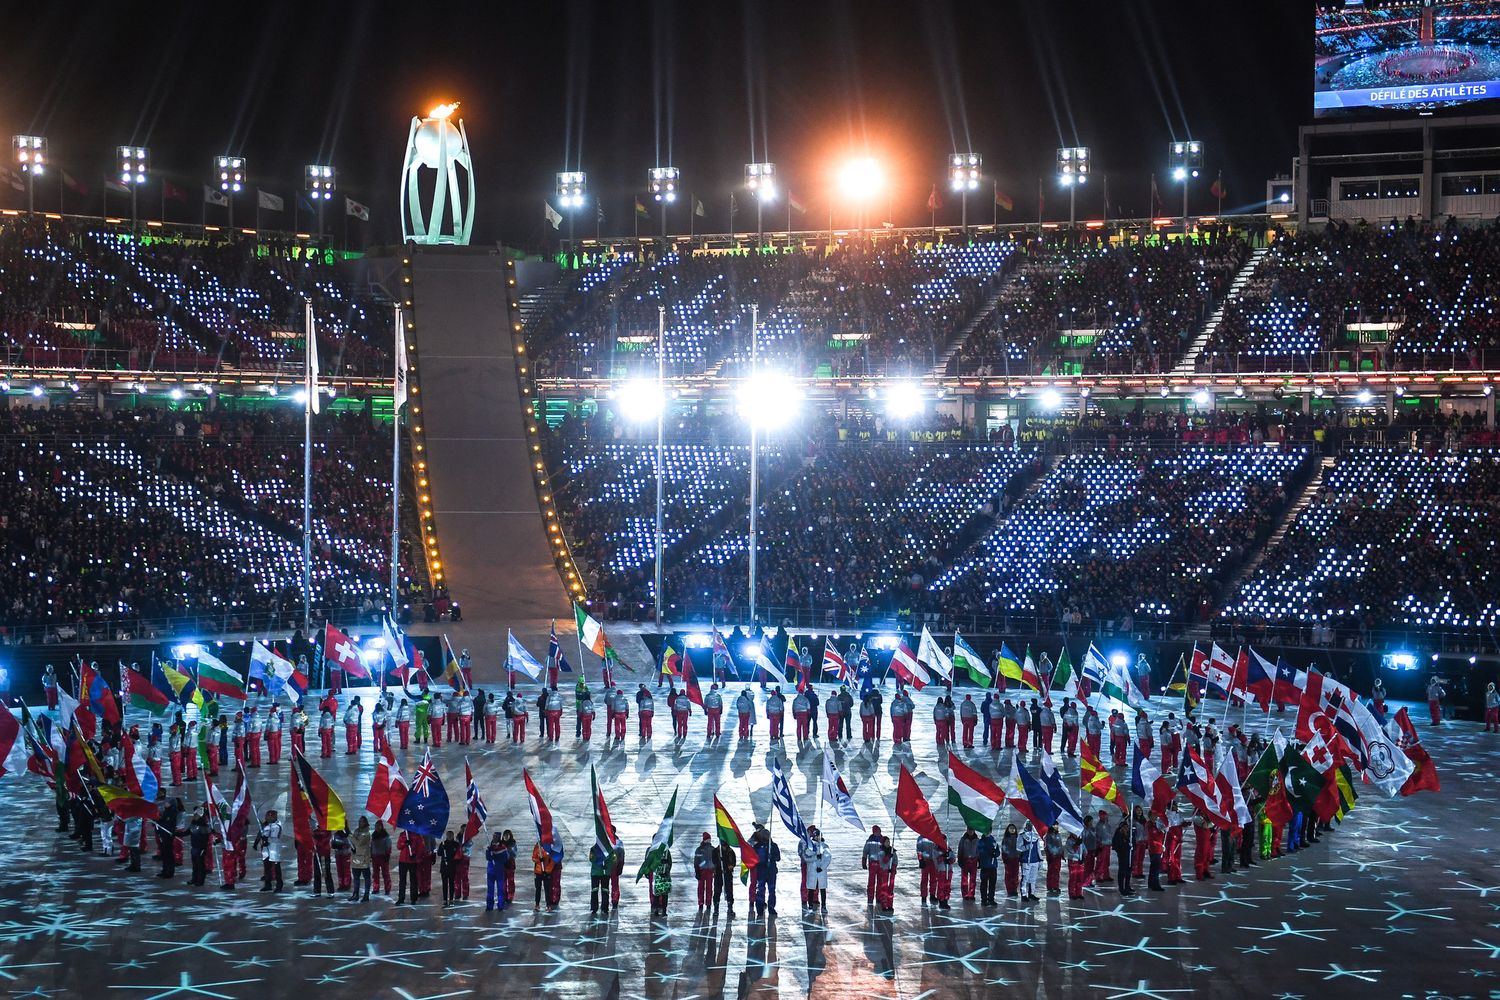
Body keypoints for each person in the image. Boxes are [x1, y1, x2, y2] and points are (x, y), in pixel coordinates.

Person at [800, 826, 832, 912]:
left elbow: (827, 858)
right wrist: (815, 857)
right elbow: (806, 857)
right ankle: (810, 906)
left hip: (821, 872)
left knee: (822, 889)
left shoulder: (825, 846)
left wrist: (822, 867)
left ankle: (824, 906)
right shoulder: (810, 846)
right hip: (812, 871)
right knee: (811, 888)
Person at [753, 826, 780, 918]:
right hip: (761, 872)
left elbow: (778, 858)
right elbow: (754, 859)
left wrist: (771, 856)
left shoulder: (773, 846)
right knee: (760, 891)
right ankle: (760, 909)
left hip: (771, 872)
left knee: (772, 891)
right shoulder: (757, 847)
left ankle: (771, 908)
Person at [396, 826, 426, 904]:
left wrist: (416, 856)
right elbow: (399, 846)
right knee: (402, 880)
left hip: (413, 861)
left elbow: (421, 848)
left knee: (413, 880)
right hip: (403, 861)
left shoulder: (417, 836)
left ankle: (413, 898)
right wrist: (404, 843)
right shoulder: (403, 835)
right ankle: (401, 898)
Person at [257, 809, 284, 892]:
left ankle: (279, 885)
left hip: (274, 849)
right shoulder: (267, 825)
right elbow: (263, 834)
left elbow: (274, 837)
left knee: (276, 868)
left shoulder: (277, 826)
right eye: (268, 816)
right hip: (266, 850)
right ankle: (267, 884)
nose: (268, 818)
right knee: (267, 867)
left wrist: (266, 838)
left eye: (271, 816)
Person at [486, 832, 513, 912]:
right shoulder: (489, 847)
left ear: (498, 837)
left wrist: (497, 857)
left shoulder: (503, 847)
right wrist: (489, 853)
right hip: (491, 870)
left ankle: (500, 905)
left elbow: (505, 858)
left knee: (500, 889)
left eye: (496, 836)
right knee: (490, 889)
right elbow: (488, 858)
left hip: (499, 870)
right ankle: (489, 905)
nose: (494, 838)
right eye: (493, 836)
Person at [350, 817, 372, 902]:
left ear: (365, 822)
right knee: (356, 878)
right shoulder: (356, 831)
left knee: (366, 878)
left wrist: (349, 835)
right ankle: (356, 894)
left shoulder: (367, 833)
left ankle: (366, 895)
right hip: (355, 858)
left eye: (361, 822)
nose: (359, 823)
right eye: (359, 821)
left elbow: (358, 843)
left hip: (363, 859)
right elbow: (353, 843)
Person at [1111, 811, 1134, 896]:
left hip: (1129, 855)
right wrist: (1126, 846)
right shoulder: (1119, 834)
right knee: (1122, 872)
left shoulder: (1129, 833)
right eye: (1125, 827)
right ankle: (1122, 888)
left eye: (1127, 827)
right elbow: (1117, 845)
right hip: (1123, 855)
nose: (1126, 828)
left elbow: (1133, 840)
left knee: (1128, 871)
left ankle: (1127, 886)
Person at [1017, 826, 1041, 902]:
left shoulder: (1035, 836)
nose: (1030, 827)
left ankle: (1032, 893)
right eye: (1028, 825)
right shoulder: (1022, 836)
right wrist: (1026, 847)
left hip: (1035, 860)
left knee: (1033, 879)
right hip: (1026, 861)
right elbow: (1018, 847)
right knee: (1025, 878)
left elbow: (1038, 849)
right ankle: (1024, 894)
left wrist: (1040, 859)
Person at [693, 833, 716, 910]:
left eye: (709, 839)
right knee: (701, 888)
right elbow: (696, 861)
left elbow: (716, 861)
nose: (709, 841)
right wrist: (697, 871)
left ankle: (708, 903)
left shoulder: (713, 849)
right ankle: (701, 902)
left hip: (710, 870)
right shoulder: (699, 850)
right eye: (708, 839)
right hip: (701, 871)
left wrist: (715, 869)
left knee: (709, 888)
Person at [874, 835, 897, 912]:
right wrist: (888, 857)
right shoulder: (881, 852)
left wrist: (893, 868)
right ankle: (884, 904)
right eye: (886, 842)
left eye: (889, 841)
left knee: (891, 889)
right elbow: (882, 862)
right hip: (884, 872)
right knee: (884, 889)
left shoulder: (892, 851)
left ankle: (890, 904)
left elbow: (895, 861)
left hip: (891, 873)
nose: (888, 843)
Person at [438, 831, 462, 906]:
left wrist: (452, 860)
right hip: (444, 867)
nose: (449, 836)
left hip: (452, 867)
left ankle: (451, 899)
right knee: (444, 884)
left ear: (453, 836)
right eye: (448, 835)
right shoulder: (443, 844)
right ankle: (445, 899)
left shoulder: (456, 845)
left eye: (451, 835)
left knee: (451, 884)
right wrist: (442, 848)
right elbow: (439, 853)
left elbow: (458, 856)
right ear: (446, 836)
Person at [533, 840, 557, 910]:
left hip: (547, 872)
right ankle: (537, 904)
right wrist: (539, 860)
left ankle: (548, 905)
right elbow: (533, 858)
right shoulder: (537, 847)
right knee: (538, 889)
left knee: (547, 889)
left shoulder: (550, 848)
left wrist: (548, 870)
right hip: (538, 871)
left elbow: (552, 861)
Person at [957, 827, 980, 900]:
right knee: (964, 878)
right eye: (969, 830)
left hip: (974, 860)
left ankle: (971, 894)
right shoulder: (963, 839)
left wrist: (980, 860)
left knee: (973, 879)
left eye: (972, 830)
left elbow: (979, 851)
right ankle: (965, 894)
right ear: (967, 830)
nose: (970, 832)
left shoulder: (977, 840)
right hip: (965, 859)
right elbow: (960, 849)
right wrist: (960, 859)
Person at [714, 834, 735, 914]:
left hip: (727, 875)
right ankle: (716, 908)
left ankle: (730, 907)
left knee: (729, 891)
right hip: (718, 874)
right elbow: (714, 861)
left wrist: (728, 864)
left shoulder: (730, 852)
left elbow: (733, 863)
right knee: (717, 891)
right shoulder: (716, 851)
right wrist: (719, 863)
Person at [371, 820, 392, 895]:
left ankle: (387, 888)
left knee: (385, 874)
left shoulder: (386, 836)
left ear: (381, 827)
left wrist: (387, 855)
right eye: (375, 826)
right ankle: (376, 888)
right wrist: (371, 855)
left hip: (383, 857)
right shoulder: (373, 835)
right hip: (375, 857)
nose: (376, 828)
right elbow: (371, 846)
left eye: (378, 826)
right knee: (375, 874)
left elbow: (388, 847)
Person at [649, 850, 673, 915]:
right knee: (660, 893)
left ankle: (661, 909)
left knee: (661, 893)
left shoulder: (664, 852)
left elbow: (670, 862)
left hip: (661, 875)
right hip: (661, 875)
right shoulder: (658, 851)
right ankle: (659, 909)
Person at [1000, 823, 1021, 897]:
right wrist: (1004, 858)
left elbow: (1020, 848)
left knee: (1015, 875)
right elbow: (1003, 849)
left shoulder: (1018, 838)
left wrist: (1020, 857)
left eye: (1013, 828)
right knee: (1009, 875)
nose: (1012, 830)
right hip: (1008, 859)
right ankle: (1009, 890)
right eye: (1010, 828)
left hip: (1016, 859)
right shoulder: (1005, 838)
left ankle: (1014, 889)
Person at [332, 824, 353, 892]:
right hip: (338, 855)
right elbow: (332, 843)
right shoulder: (336, 835)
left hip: (346, 854)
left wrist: (343, 845)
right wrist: (334, 845)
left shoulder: (348, 835)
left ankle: (347, 885)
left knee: (346, 870)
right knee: (340, 870)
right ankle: (341, 885)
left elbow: (352, 845)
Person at [1044, 825, 1064, 896]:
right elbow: (1048, 845)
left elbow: (1060, 844)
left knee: (1057, 871)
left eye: (1057, 825)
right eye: (1055, 825)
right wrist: (1053, 853)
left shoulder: (1058, 834)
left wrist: (1062, 853)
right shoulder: (1048, 835)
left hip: (1058, 856)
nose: (1056, 826)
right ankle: (1050, 886)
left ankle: (1056, 886)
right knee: (1051, 871)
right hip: (1052, 856)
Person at [1066, 832, 1087, 899]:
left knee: (1080, 878)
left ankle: (1079, 893)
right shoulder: (1069, 841)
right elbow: (1071, 851)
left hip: (1080, 862)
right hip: (1073, 861)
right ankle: (1072, 893)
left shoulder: (1080, 840)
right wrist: (1076, 844)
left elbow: (1085, 850)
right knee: (1073, 878)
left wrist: (1083, 857)